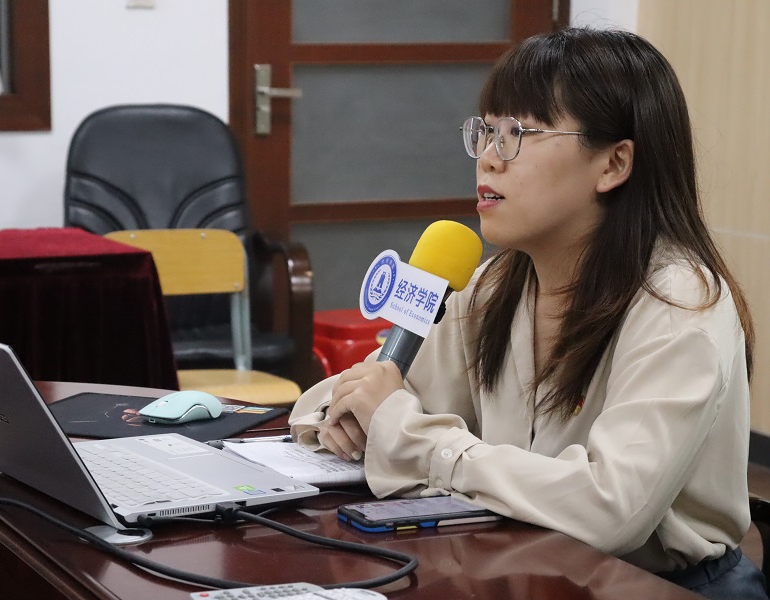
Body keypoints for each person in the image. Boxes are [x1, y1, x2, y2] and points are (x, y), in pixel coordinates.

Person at [289, 27, 766, 599]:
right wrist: (351, 413)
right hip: (521, 562)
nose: (488, 159)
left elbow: (608, 510)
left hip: (658, 586)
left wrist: (413, 438)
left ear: (614, 163)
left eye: (518, 134)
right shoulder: (495, 285)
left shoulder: (679, 304)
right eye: (486, 131)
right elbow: (344, 402)